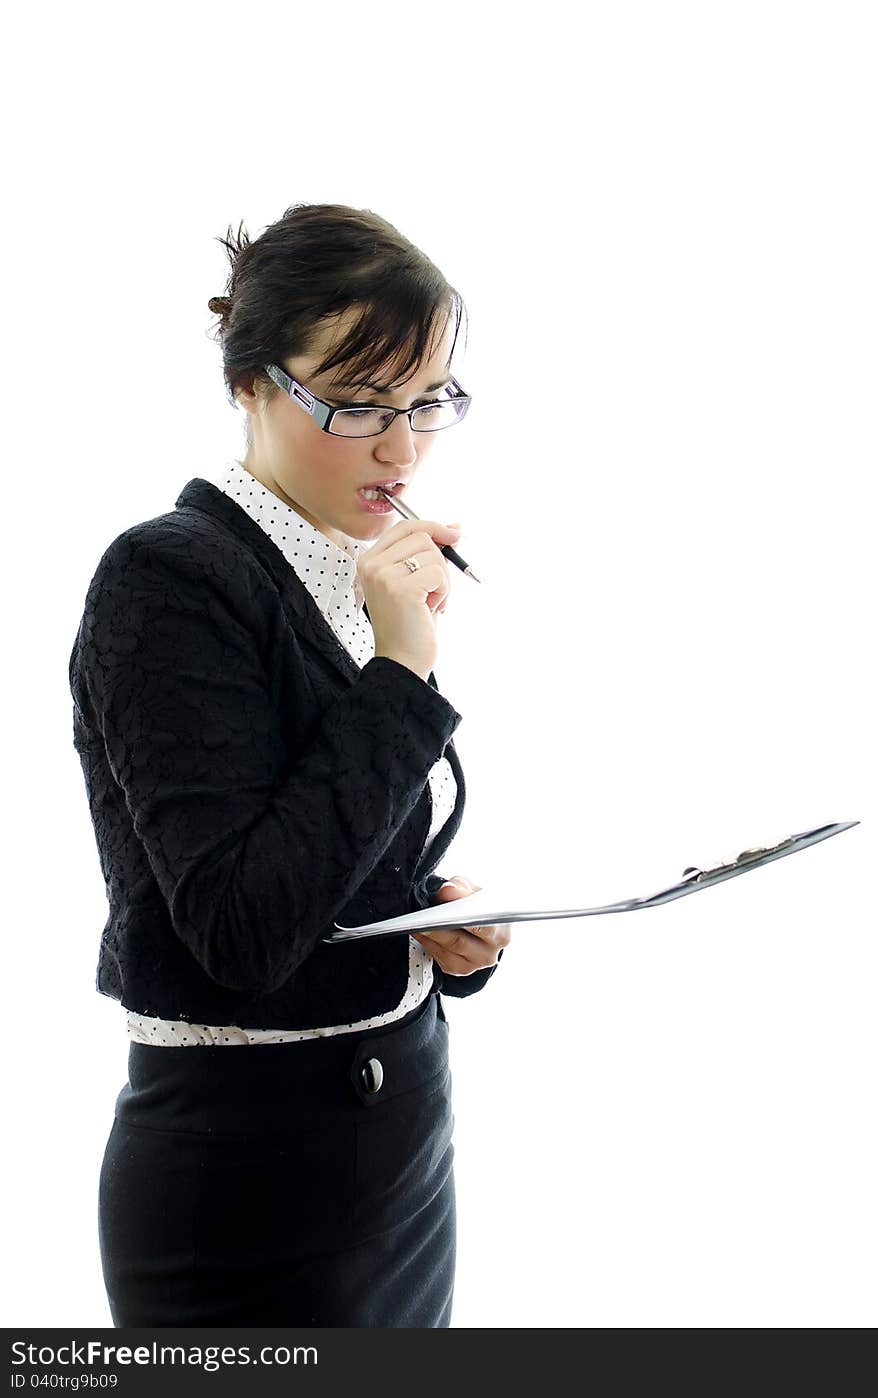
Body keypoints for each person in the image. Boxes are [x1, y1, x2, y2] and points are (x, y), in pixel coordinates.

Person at [68, 201, 512, 1328]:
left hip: (401, 1138)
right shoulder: (166, 580)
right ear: (251, 385)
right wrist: (401, 673)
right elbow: (242, 928)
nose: (401, 449)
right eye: (358, 404)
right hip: (247, 1183)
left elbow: (323, 856)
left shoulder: (358, 570)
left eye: (426, 403)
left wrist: (431, 930)